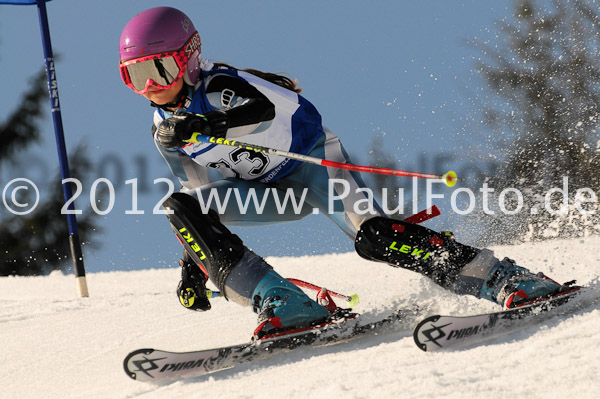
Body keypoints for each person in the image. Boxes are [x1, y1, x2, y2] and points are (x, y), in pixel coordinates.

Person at [118, 7, 574, 338]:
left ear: (189, 56)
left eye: (158, 70)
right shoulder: (165, 132)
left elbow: (290, 108)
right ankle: (284, 302)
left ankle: (502, 278)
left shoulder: (222, 87)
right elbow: (203, 198)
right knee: (179, 207)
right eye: (135, 78)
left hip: (314, 169)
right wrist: (196, 262)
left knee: (374, 238)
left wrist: (214, 122)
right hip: (268, 194)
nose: (151, 88)